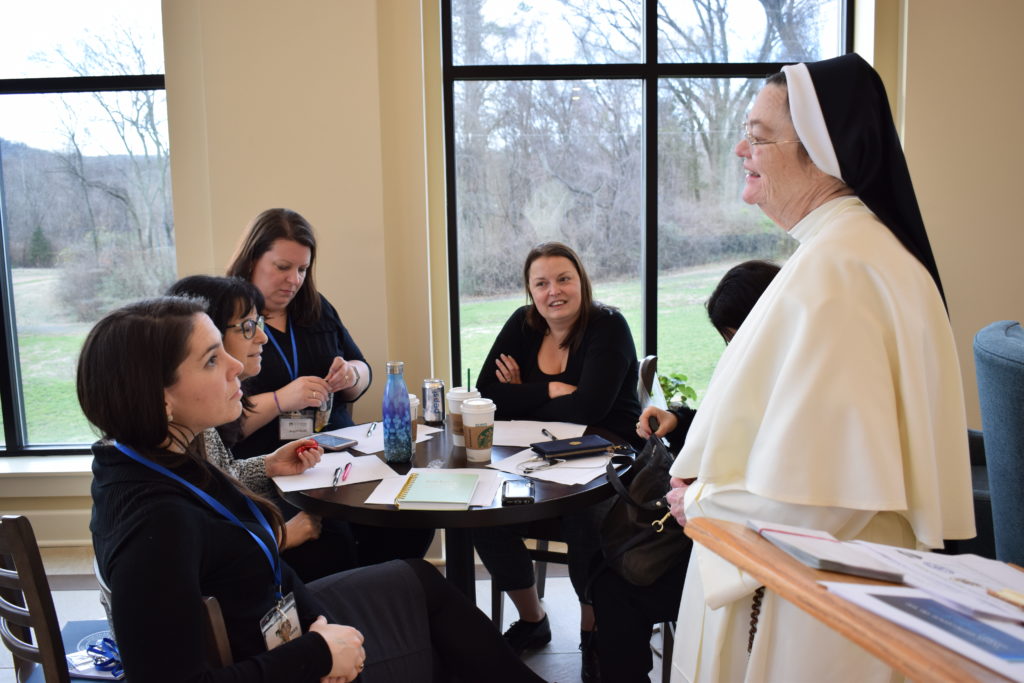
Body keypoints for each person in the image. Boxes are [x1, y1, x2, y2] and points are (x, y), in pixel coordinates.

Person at [663, 54, 975, 682]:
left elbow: (825, 493)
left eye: (759, 136)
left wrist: (701, 503)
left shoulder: (843, 270)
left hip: (810, 603)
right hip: (823, 586)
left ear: (825, 153)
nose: (739, 150)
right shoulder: (839, 251)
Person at [81, 296, 548, 683]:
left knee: (418, 577)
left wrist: (315, 626)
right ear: (159, 397)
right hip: (288, 658)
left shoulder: (161, 457)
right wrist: (318, 654)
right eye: (210, 359)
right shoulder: (155, 521)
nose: (235, 366)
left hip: (290, 624)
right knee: (449, 639)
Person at [590, 259, 780, 683]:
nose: (732, 346)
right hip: (721, 525)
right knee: (611, 564)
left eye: (733, 334)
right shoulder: (769, 369)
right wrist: (679, 419)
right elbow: (726, 428)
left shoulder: (777, 382)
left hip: (741, 546)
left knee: (615, 580)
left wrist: (693, 496)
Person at [472, 241, 643, 682]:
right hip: (535, 454)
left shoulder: (608, 326)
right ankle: (534, 620)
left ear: (581, 281)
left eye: (564, 279)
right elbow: (485, 390)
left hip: (609, 454)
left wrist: (521, 393)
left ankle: (592, 632)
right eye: (541, 283)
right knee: (483, 511)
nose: (554, 291)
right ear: (530, 292)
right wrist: (549, 390)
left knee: (585, 518)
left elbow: (589, 410)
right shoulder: (524, 324)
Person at [227, 208, 433, 565]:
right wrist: (281, 399)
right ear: (251, 260)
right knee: (330, 540)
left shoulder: (317, 310)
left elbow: (363, 372)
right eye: (282, 267)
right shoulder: (226, 321)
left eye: (303, 270)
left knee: (411, 516)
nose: (294, 280)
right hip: (272, 465)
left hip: (337, 454)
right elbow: (222, 425)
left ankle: (381, 600)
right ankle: (357, 600)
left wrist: (352, 376)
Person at [167, 274, 359, 580]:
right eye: (248, 327)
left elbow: (220, 477)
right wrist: (279, 537)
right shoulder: (163, 460)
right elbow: (201, 551)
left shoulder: (194, 428)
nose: (263, 338)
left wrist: (269, 464)